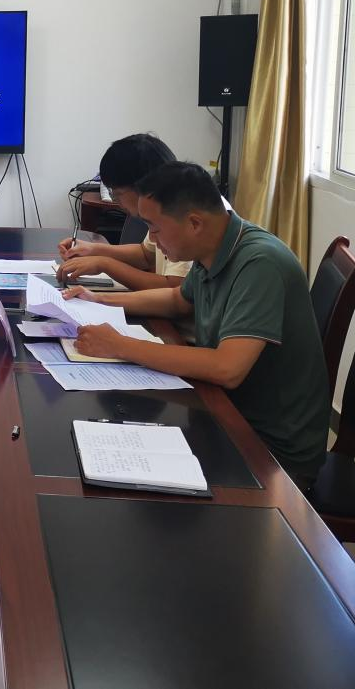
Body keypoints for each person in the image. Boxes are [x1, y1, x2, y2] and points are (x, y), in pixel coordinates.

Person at [64, 162, 328, 490]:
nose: (152, 240)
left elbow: (227, 368)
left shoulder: (260, 264)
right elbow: (178, 300)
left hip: (269, 449)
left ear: (194, 223)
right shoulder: (213, 246)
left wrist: (119, 345)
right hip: (225, 410)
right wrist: (98, 300)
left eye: (155, 228)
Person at [56, 134, 193, 290]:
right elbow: (146, 254)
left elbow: (174, 288)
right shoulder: (159, 211)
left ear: (142, 186)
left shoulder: (180, 216)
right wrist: (92, 249)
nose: (116, 201)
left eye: (118, 193)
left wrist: (104, 264)